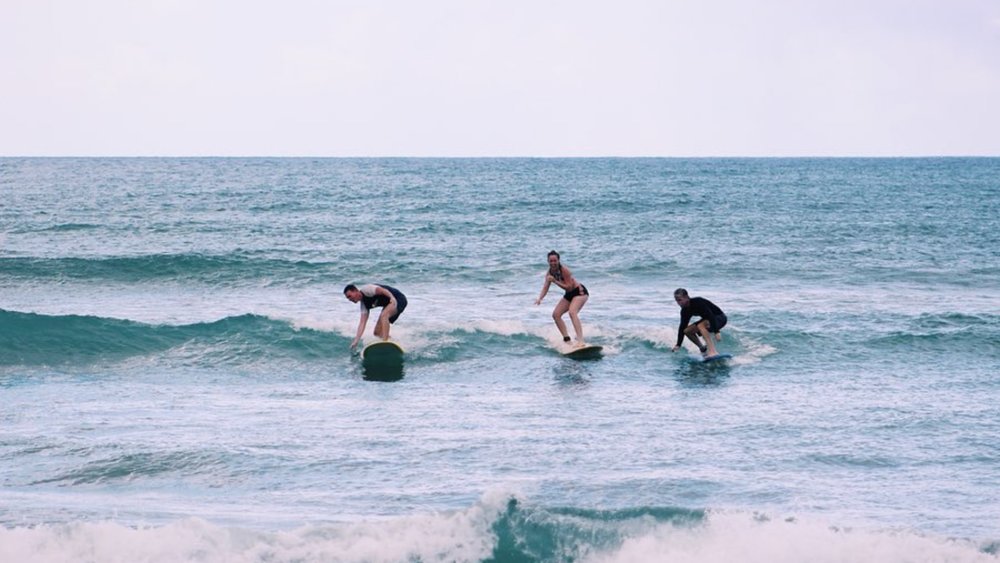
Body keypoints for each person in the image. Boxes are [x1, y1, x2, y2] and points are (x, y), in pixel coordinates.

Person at [534, 250, 589, 346]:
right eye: (551, 261)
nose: (553, 263)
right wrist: (540, 298)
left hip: (579, 292)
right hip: (569, 294)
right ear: (548, 261)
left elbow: (568, 286)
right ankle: (567, 339)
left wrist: (555, 281)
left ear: (558, 260)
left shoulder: (565, 270)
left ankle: (581, 341)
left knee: (572, 312)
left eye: (555, 260)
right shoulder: (549, 273)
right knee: (556, 314)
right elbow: (545, 287)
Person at [343, 283, 408, 351]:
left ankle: (385, 343)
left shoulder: (367, 290)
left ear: (355, 290)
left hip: (398, 299)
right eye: (348, 298)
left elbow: (383, 290)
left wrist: (392, 297)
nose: (349, 299)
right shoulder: (364, 305)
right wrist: (356, 340)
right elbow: (362, 323)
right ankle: (394, 342)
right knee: (377, 332)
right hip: (389, 304)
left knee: (384, 315)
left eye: (349, 296)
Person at [671, 288, 727, 357]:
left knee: (701, 325)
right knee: (687, 331)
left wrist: (717, 332)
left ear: (687, 297)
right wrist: (678, 344)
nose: (678, 303)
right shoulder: (685, 311)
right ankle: (702, 348)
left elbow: (710, 315)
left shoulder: (698, 302)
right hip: (708, 320)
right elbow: (682, 326)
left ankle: (713, 352)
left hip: (719, 318)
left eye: (680, 300)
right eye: (677, 301)